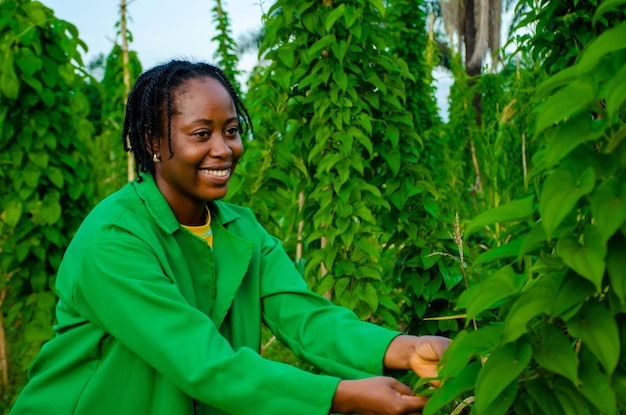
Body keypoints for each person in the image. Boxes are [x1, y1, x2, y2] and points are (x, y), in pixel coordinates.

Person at [10, 60, 451, 415]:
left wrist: (404, 348)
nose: (223, 149)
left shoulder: (241, 229)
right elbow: (199, 360)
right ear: (153, 141)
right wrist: (338, 394)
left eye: (232, 131)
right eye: (201, 134)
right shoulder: (112, 241)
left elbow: (306, 318)